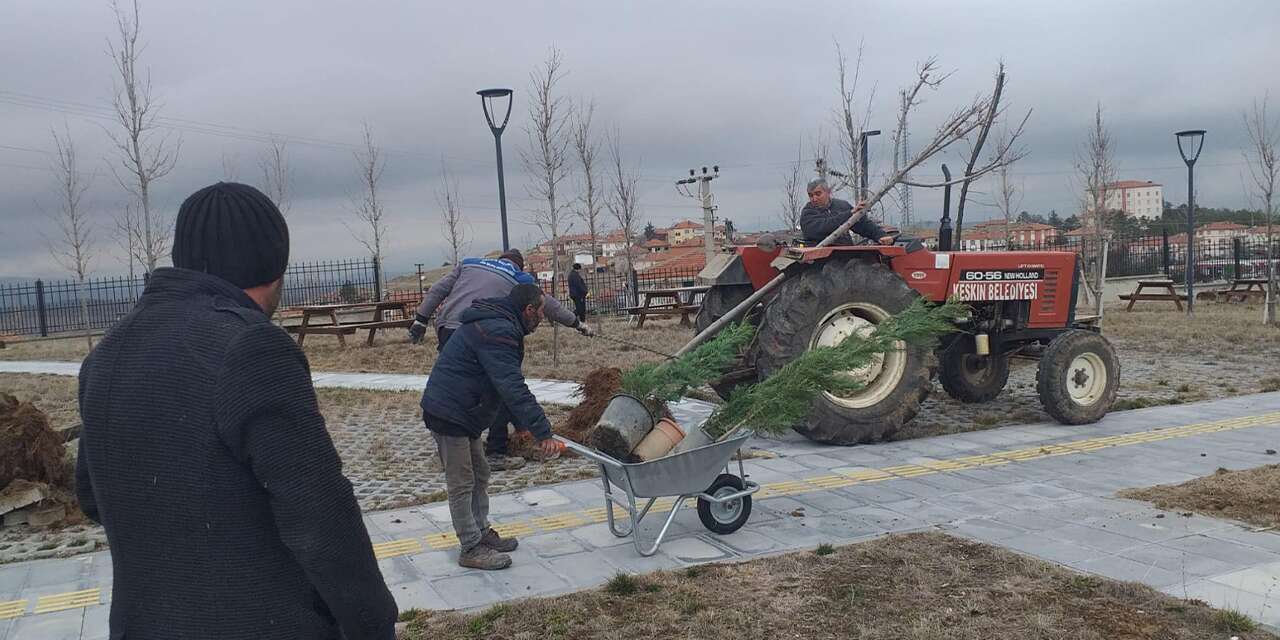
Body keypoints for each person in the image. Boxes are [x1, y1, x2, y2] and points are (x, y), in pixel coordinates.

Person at [76, 183, 397, 640]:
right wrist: (372, 624)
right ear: (274, 263)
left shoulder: (108, 352)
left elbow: (93, 496)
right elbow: (319, 516)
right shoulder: (251, 346)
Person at [408, 249, 593, 469]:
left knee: (456, 387)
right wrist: (576, 323)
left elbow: (438, 290)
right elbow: (549, 305)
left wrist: (420, 319)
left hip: (451, 328)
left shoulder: (469, 263)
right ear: (520, 266)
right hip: (486, 329)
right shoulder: (519, 277)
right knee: (496, 387)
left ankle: (453, 446)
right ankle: (495, 450)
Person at [420, 284, 561, 570]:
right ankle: (470, 546)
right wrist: (542, 432)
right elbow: (512, 386)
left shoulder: (499, 324)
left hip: (466, 410)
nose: (543, 318)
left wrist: (525, 426)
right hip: (449, 412)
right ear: (528, 310)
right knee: (462, 481)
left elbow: (504, 384)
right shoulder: (498, 331)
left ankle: (481, 531)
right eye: (541, 312)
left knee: (480, 472)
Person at [799, 178, 895, 246]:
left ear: (828, 192)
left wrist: (880, 235)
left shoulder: (842, 206)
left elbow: (862, 224)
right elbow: (824, 226)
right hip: (821, 259)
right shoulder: (807, 213)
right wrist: (850, 214)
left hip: (847, 254)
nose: (814, 199)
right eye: (811, 195)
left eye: (818, 194)